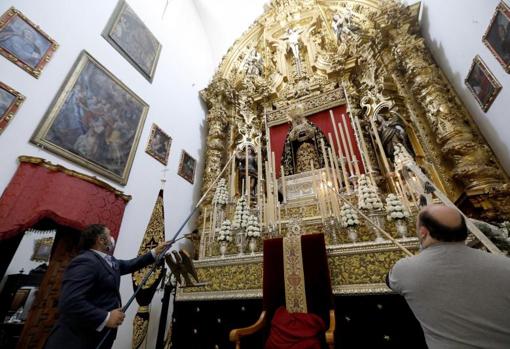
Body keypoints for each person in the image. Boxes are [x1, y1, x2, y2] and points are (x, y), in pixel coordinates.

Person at [387, 205, 510, 348]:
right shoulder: (505, 264)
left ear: (423, 232)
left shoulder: (405, 269)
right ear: (464, 231)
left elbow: (389, 280)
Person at [44, 224, 169, 349]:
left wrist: (154, 252)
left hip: (96, 338)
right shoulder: (85, 261)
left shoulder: (108, 261)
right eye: (109, 235)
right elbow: (70, 302)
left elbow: (130, 264)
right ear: (101, 240)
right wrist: (105, 317)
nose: (112, 238)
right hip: (75, 340)